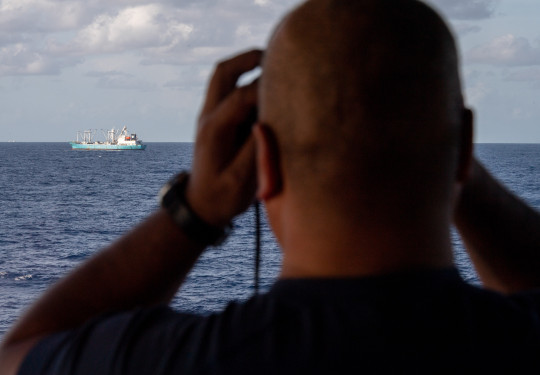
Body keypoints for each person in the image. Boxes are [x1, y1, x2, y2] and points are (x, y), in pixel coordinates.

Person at [2, 0, 540, 373]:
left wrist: (194, 210)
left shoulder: (169, 359)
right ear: (464, 149)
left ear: (263, 161)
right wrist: (432, 141)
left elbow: (19, 353)